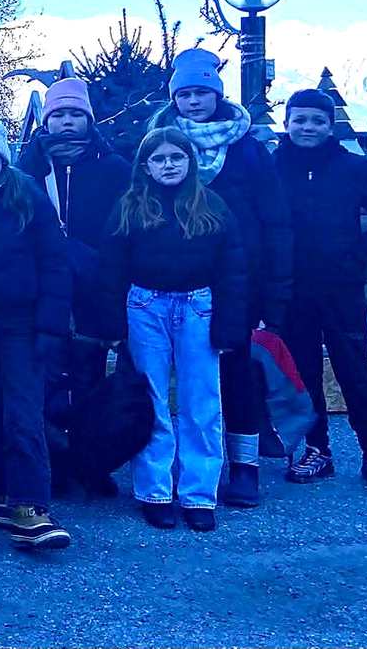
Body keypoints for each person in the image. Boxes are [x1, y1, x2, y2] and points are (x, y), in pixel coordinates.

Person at [150, 48, 292, 509]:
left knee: (237, 370)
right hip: (176, 280)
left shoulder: (247, 149)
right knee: (183, 378)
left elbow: (274, 220)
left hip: (238, 280)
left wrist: (275, 292)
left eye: (201, 93)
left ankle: (245, 466)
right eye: (185, 94)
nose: (193, 102)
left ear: (218, 94)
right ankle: (173, 470)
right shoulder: (161, 145)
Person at [100, 128, 248, 533]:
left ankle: (199, 494)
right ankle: (155, 491)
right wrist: (113, 326)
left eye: (176, 158)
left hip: (199, 306)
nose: (168, 166)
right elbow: (110, 270)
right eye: (160, 159)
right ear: (146, 166)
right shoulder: (129, 207)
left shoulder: (212, 205)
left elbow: (233, 269)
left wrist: (229, 325)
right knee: (151, 400)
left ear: (189, 162)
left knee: (202, 400)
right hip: (145, 306)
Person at [0, 110, 73, 549]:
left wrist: (50, 325)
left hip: (23, 324)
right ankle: (1, 493)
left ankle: (31, 503)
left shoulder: (29, 196)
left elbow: (55, 263)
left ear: (2, 156)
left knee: (22, 412)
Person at [274, 89, 367, 493]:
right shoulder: (273, 167)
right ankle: (318, 449)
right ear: (287, 123)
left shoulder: (352, 168)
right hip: (293, 289)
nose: (307, 127)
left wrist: (364, 253)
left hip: (342, 288)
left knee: (354, 370)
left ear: (330, 126)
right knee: (304, 371)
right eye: (300, 120)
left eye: (317, 121)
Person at [17, 78, 133, 494]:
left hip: (94, 289)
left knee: (89, 380)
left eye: (74, 114)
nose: (66, 122)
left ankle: (90, 462)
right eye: (59, 115)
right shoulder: (28, 168)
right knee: (47, 378)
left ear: (88, 119)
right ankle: (56, 463)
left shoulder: (114, 169)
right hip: (44, 291)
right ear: (47, 120)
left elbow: (126, 228)